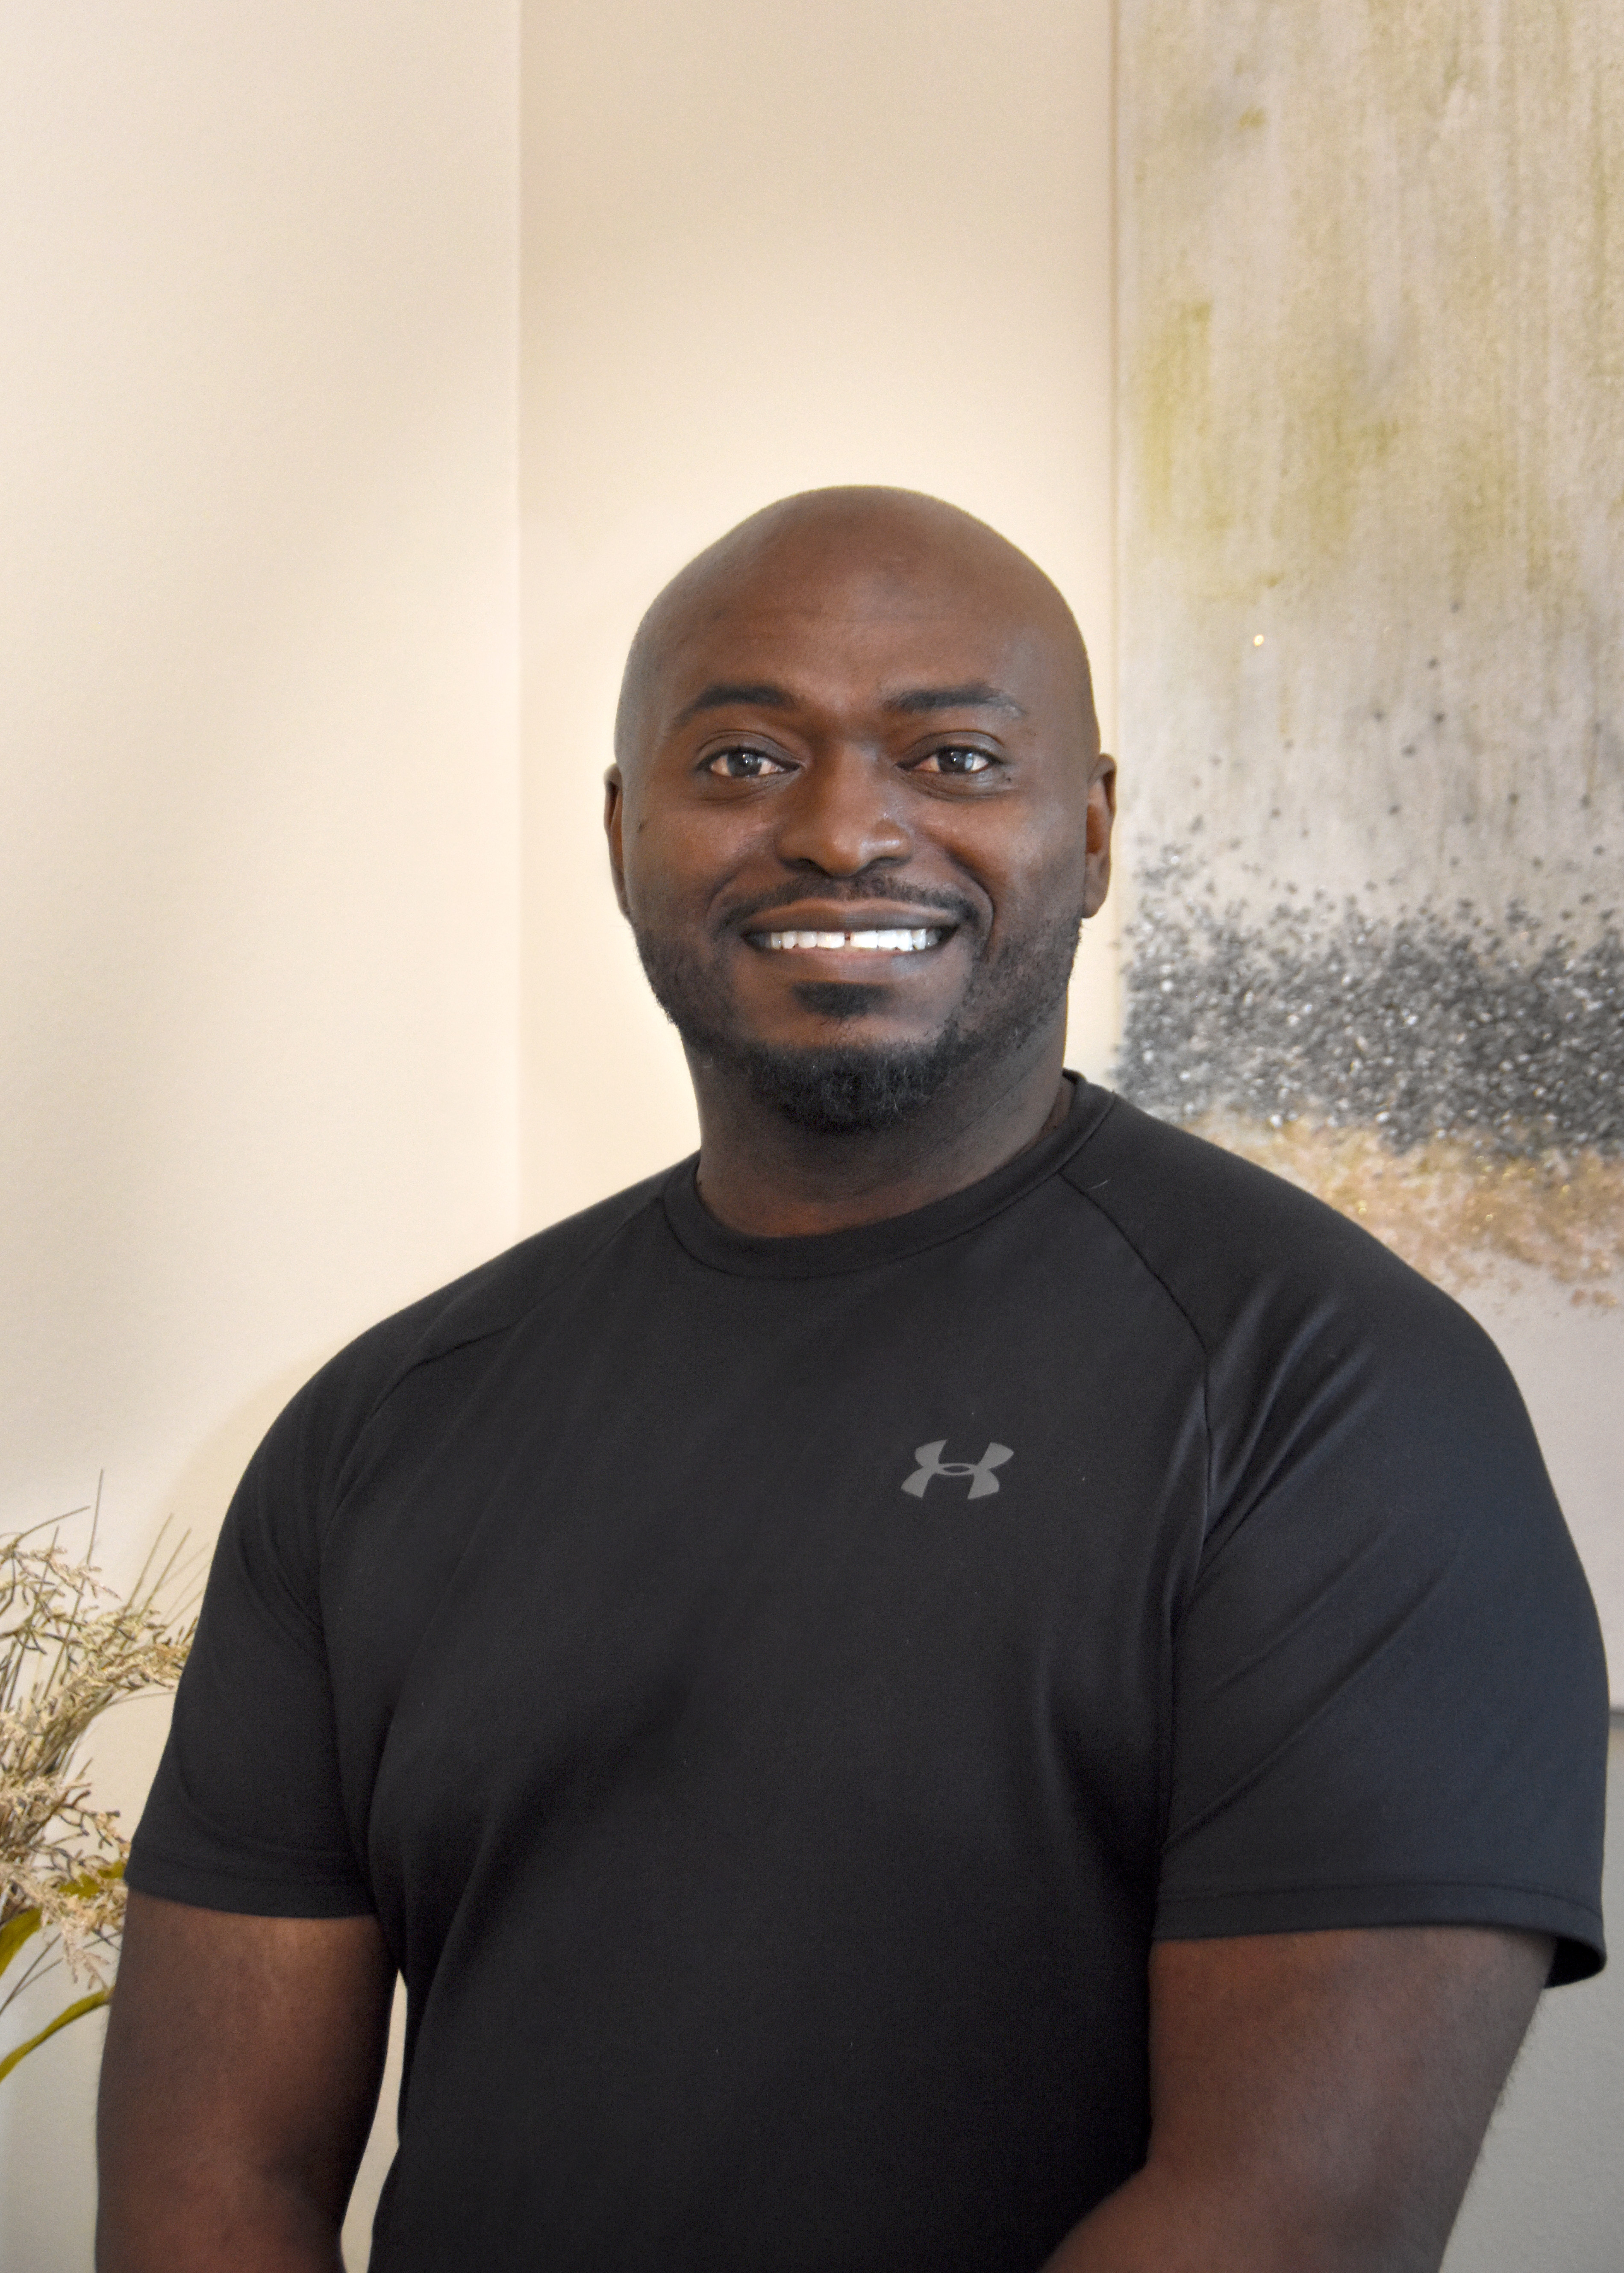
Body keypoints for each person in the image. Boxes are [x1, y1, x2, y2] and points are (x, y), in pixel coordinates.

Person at [98, 488, 1607, 2273]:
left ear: (1094, 827)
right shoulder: (379, 1429)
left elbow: (1290, 2220)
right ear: (618, 829)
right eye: (740, 758)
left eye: (952, 754)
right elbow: (211, 2183)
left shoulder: (1332, 1396)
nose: (839, 832)